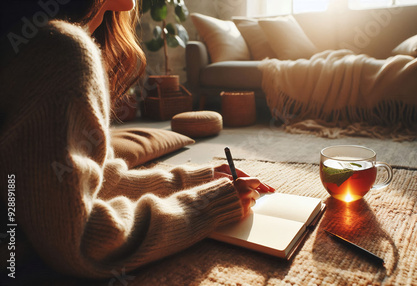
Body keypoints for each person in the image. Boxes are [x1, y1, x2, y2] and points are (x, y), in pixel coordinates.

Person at [0, 0, 272, 280]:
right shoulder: (59, 49)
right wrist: (210, 204)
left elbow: (85, 180)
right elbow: (84, 240)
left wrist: (195, 180)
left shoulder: (28, 38)